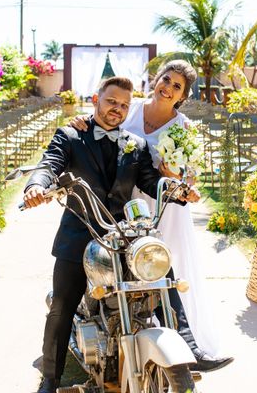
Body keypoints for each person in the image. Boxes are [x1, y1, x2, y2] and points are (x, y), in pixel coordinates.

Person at [23, 77, 215, 393]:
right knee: (62, 306)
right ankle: (50, 378)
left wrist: (177, 190)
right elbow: (49, 164)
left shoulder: (134, 145)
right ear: (96, 99)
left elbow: (151, 180)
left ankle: (186, 346)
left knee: (159, 275)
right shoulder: (71, 136)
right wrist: (35, 187)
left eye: (124, 105)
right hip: (79, 233)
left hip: (121, 236)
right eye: (112, 101)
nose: (118, 109)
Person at [69, 60, 230, 361]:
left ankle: (185, 343)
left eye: (177, 87)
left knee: (165, 270)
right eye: (166, 79)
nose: (168, 88)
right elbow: (101, 120)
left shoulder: (184, 128)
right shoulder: (129, 108)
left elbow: (190, 177)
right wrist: (81, 121)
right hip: (124, 200)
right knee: (118, 266)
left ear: (183, 96)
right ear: (156, 79)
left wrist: (174, 177)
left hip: (165, 206)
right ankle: (117, 333)